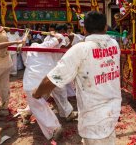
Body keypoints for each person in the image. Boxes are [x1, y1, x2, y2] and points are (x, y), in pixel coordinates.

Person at [33, 11, 122, 144]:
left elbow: (53, 78)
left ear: (84, 29)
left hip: (94, 116)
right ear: (105, 27)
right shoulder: (114, 45)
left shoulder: (80, 49)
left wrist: (37, 92)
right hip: (113, 108)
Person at [22, 34, 76, 140]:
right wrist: (55, 34)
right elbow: (59, 39)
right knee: (43, 100)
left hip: (43, 78)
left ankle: (58, 121)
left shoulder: (29, 52)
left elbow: (63, 47)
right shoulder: (40, 46)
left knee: (39, 101)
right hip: (49, 77)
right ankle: (58, 122)